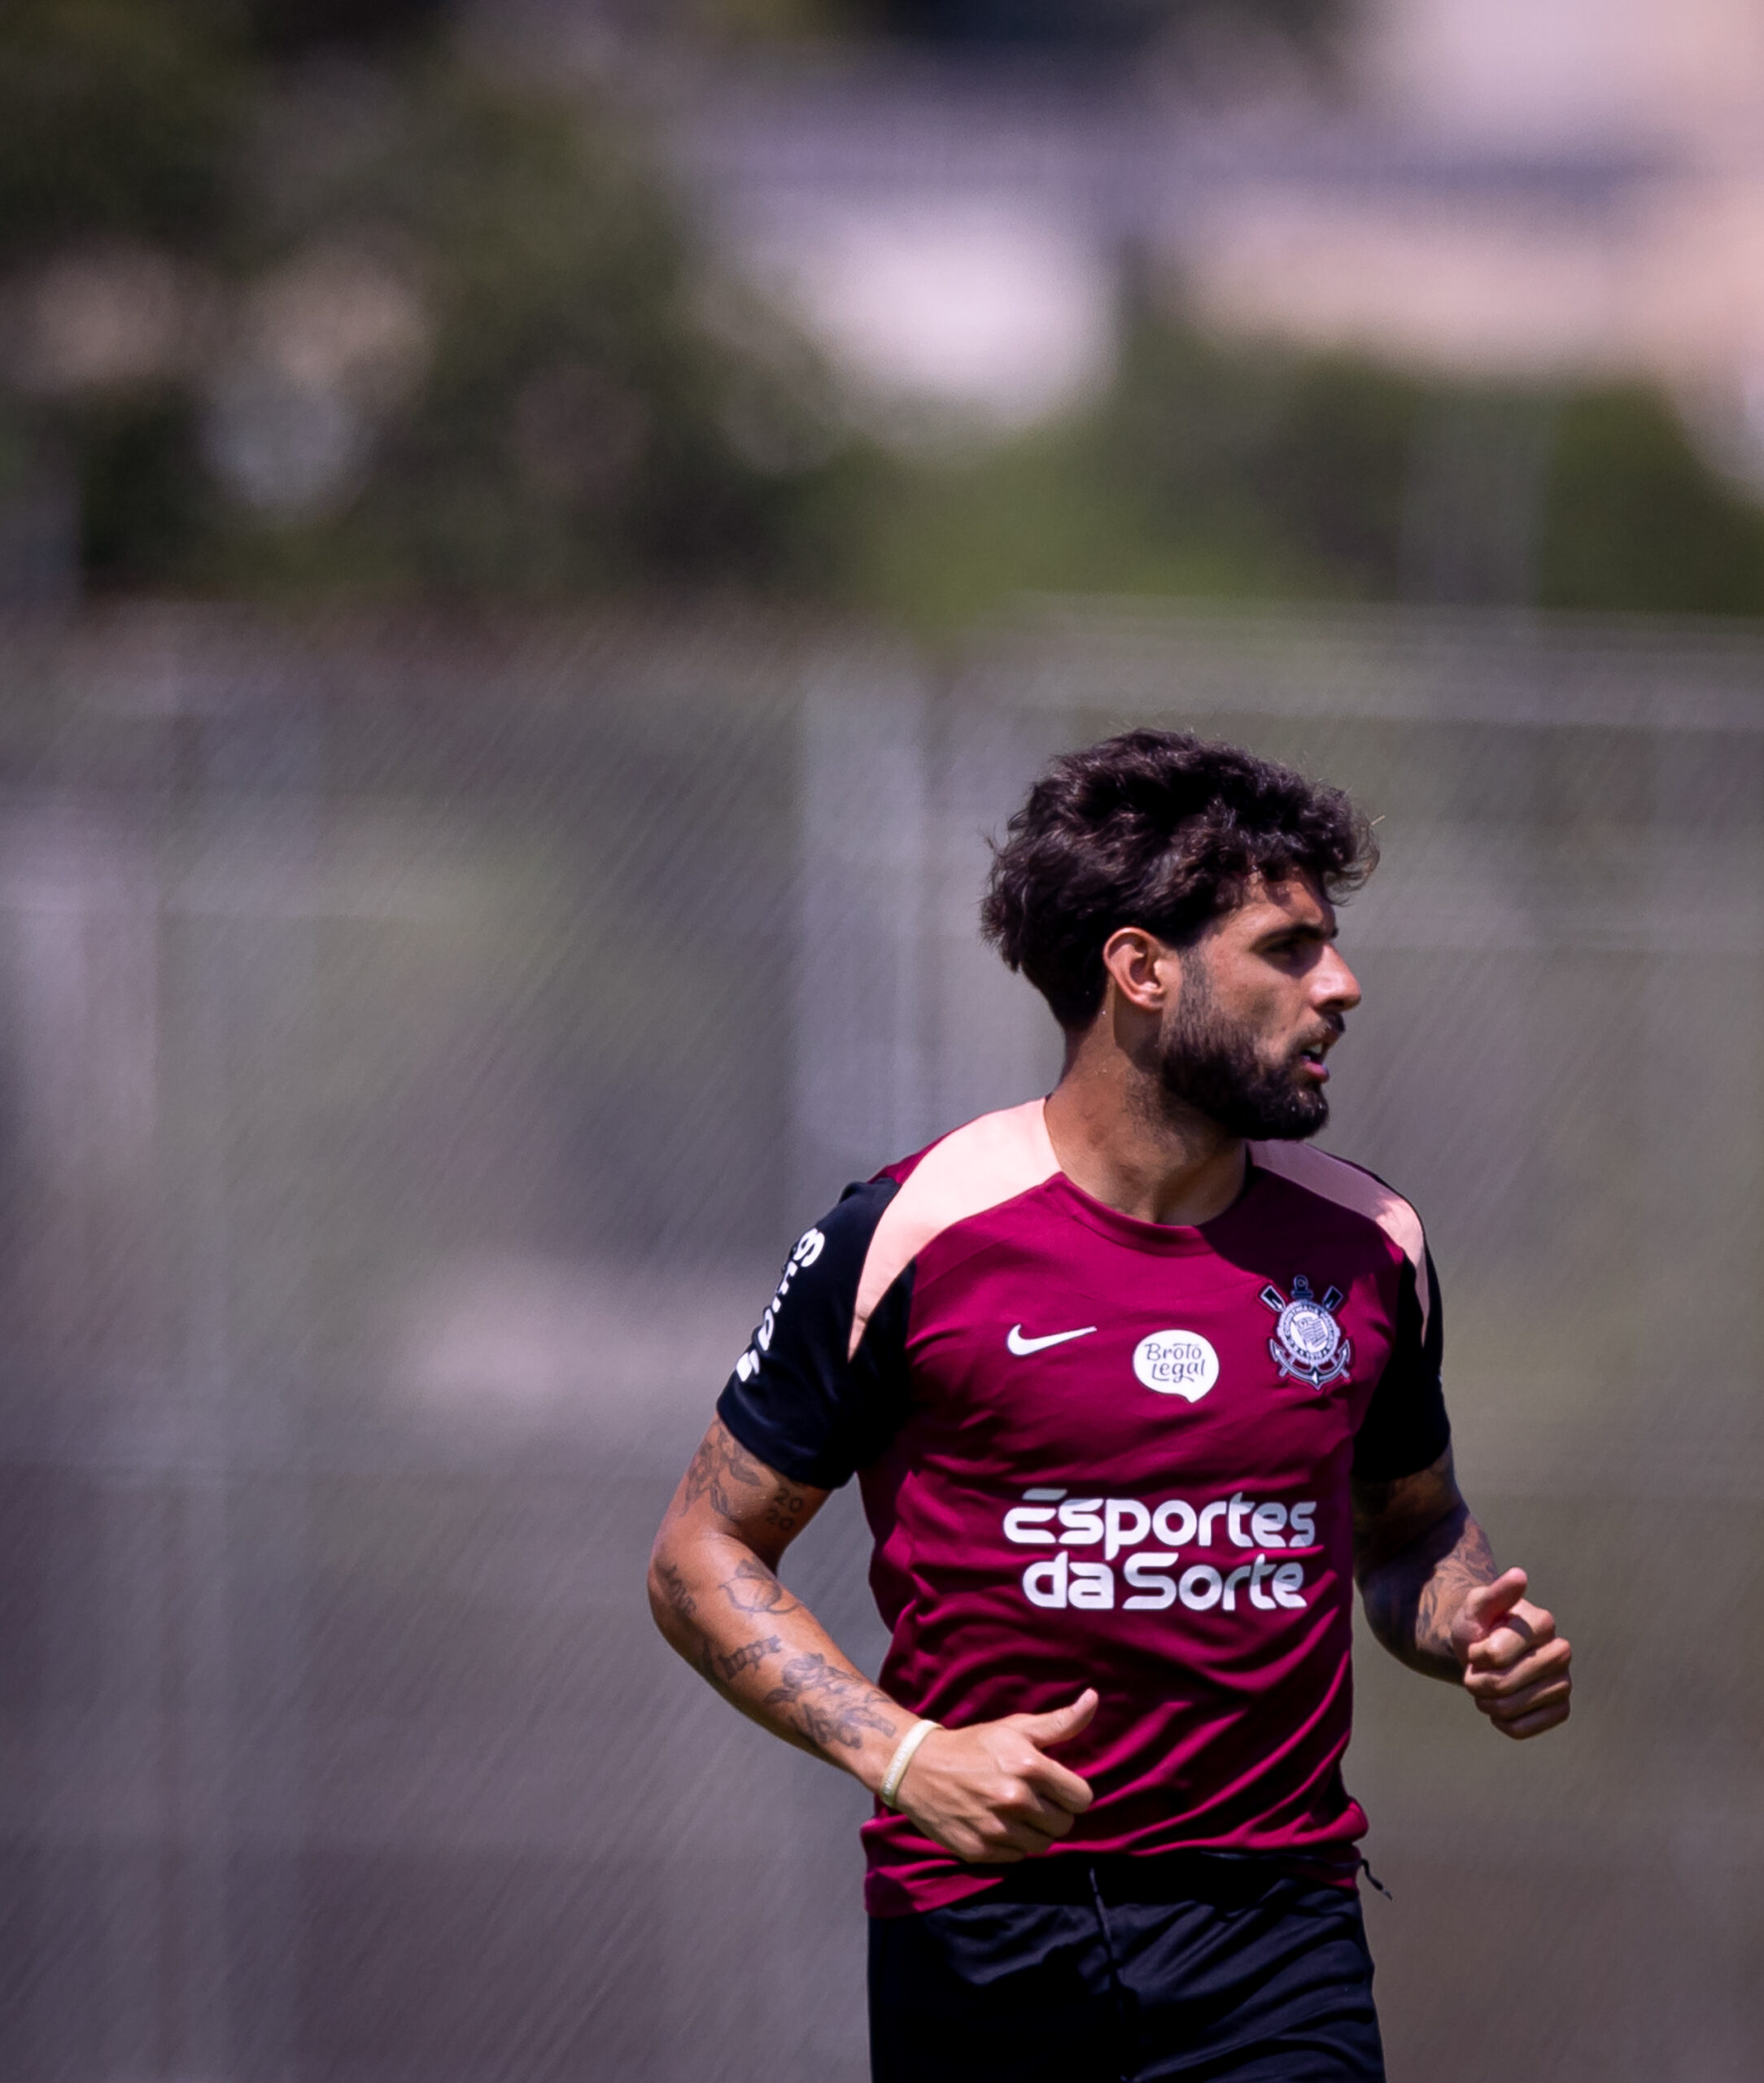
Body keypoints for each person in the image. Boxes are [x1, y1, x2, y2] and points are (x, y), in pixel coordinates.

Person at [648, 729, 1572, 2082]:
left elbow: (1412, 1530)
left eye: (1331, 946)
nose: (1342, 986)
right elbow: (700, 1555)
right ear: (1141, 970)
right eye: (1288, 949)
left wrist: (1474, 1625)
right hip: (980, 1938)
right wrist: (906, 1758)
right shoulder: (908, 1236)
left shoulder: (1373, 1244)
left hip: (1279, 1936)